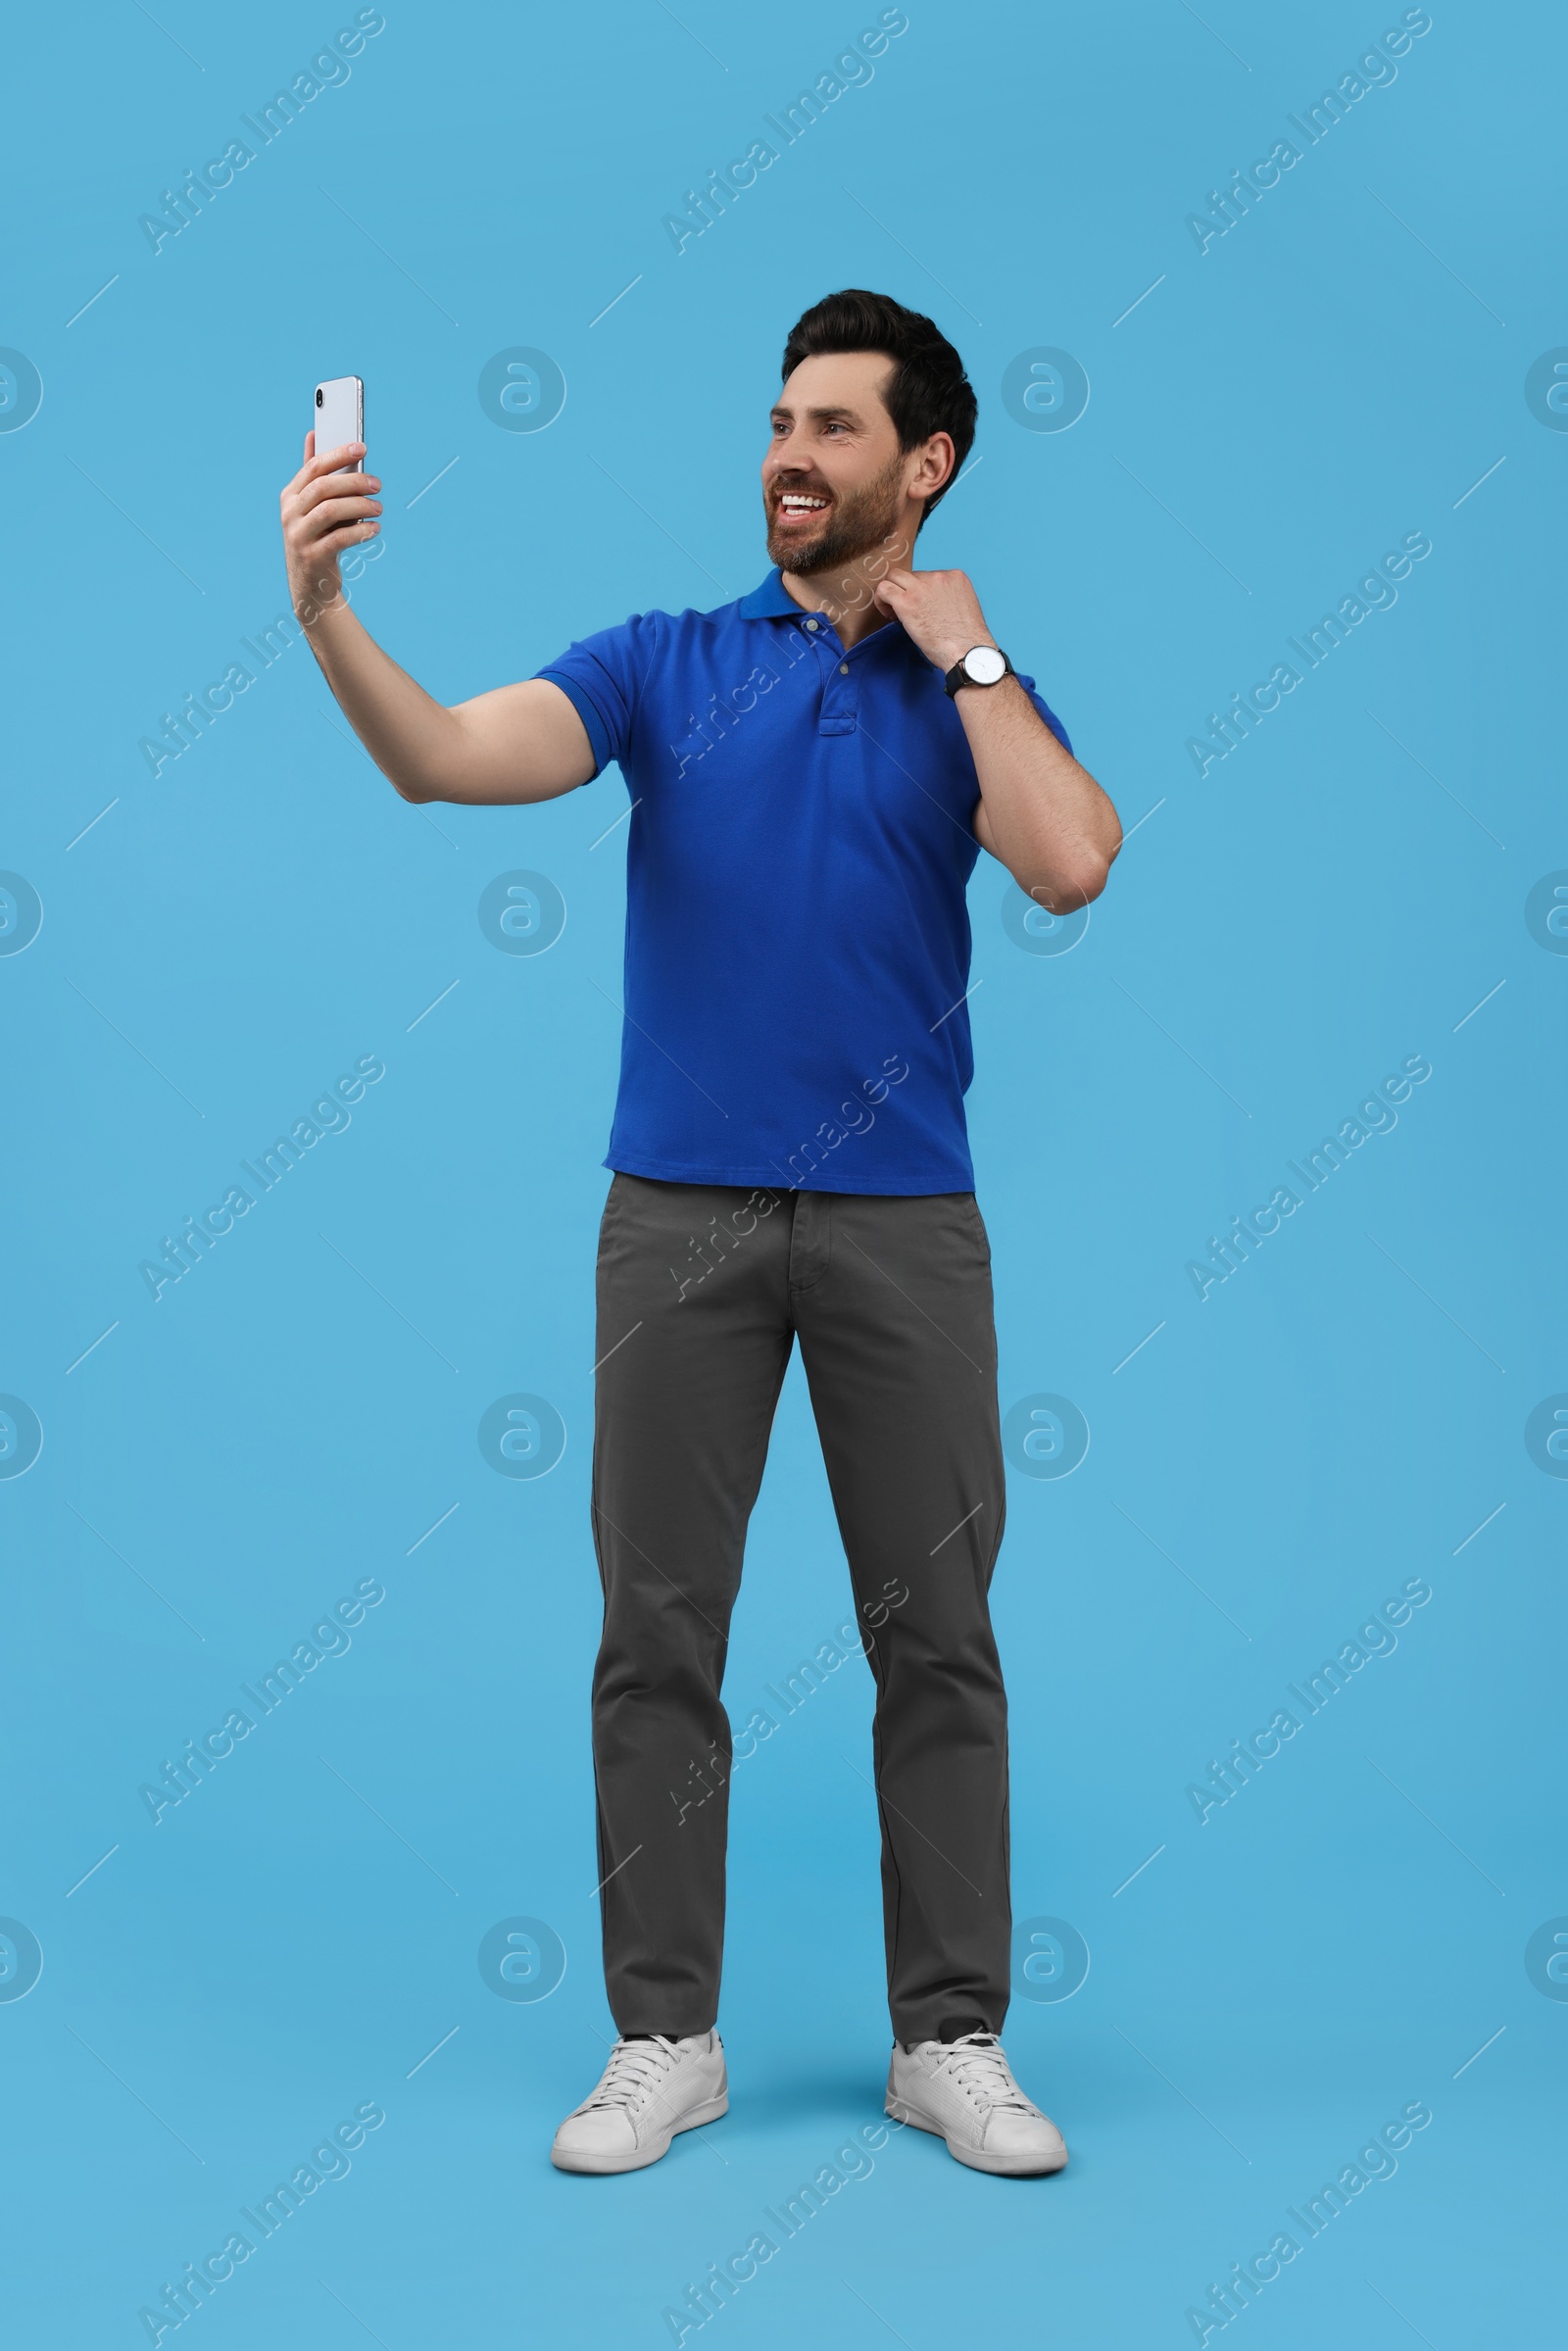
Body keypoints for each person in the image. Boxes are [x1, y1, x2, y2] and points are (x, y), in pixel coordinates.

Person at [279, 288, 1121, 2180]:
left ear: (928, 464)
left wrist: (974, 658)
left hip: (908, 1218)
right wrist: (331, 615)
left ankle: (949, 2039)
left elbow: (1069, 860)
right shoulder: (663, 661)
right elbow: (442, 759)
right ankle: (665, 2036)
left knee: (944, 1640)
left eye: (832, 429)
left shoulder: (963, 689)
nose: (786, 457)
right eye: (775, 422)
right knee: (658, 1633)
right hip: (675, 1218)